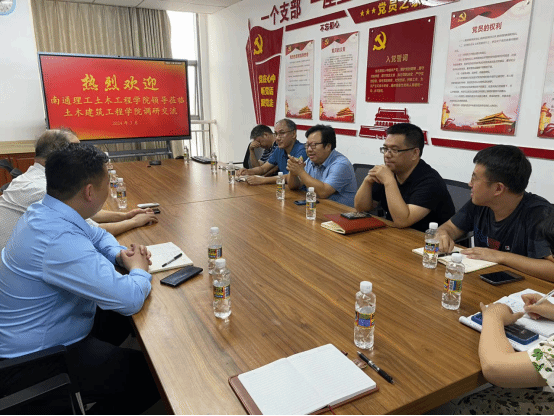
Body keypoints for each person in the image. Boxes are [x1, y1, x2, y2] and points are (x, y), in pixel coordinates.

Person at [0, 143, 160, 414]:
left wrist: (120, 255)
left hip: (50, 325)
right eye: (107, 183)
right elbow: (130, 299)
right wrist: (139, 269)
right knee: (150, 378)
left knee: (123, 322)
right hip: (35, 358)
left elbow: (98, 235)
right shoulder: (58, 239)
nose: (108, 189)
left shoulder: (47, 210)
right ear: (89, 191)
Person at [0, 129, 158, 250]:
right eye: (76, 150)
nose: (82, 154)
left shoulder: (34, 177)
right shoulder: (43, 189)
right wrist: (134, 222)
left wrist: (125, 216)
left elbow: (80, 213)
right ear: (61, 156)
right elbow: (92, 230)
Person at [436, 145, 554, 282]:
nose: (469, 184)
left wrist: (500, 256)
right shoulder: (480, 203)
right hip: (483, 282)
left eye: (474, 179)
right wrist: (443, 234)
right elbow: (450, 227)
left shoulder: (540, 214)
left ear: (498, 188)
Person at [354, 123, 455, 232]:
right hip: (394, 234)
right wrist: (367, 181)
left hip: (425, 239)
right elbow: (361, 208)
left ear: (415, 153)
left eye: (395, 150)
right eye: (385, 149)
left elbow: (402, 221)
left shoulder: (431, 182)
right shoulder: (390, 171)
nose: (387, 155)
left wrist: (389, 181)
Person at [287, 124, 357, 207]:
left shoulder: (341, 164)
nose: (309, 150)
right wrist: (293, 171)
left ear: (328, 146)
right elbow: (293, 186)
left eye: (313, 145)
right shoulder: (311, 160)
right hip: (318, 207)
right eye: (307, 145)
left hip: (340, 211)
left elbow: (323, 192)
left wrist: (300, 171)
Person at [237, 119, 307, 185]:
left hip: (299, 191)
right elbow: (263, 169)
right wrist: (248, 171)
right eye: (276, 134)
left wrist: (263, 180)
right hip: (283, 188)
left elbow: (290, 176)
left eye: (282, 133)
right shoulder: (279, 150)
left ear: (293, 134)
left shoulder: (302, 150)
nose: (277, 138)